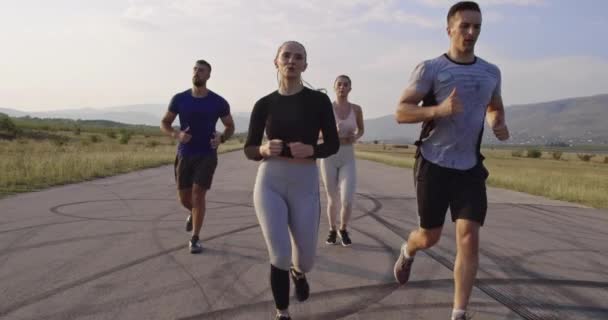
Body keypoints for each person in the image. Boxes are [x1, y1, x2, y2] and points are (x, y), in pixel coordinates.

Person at [392, 2, 509, 320]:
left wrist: (497, 121)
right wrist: (438, 111)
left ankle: (459, 312)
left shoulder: (491, 72)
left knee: (469, 237)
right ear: (449, 29)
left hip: (469, 167)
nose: (471, 33)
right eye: (465, 26)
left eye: (478, 27)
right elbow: (402, 111)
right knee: (429, 236)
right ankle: (408, 249)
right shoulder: (430, 68)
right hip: (433, 163)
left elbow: (494, 106)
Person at [244, 41, 339, 320]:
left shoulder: (319, 101)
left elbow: (332, 144)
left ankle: (299, 274)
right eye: (286, 56)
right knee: (280, 253)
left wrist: (313, 150)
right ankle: (282, 312)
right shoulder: (264, 104)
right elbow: (249, 148)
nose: (292, 61)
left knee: (306, 259)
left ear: (305, 65)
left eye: (299, 57)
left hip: (304, 181)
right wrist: (262, 150)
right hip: (270, 181)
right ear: (276, 62)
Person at [161, 59, 235, 254]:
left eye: (202, 70)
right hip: (185, 154)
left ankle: (195, 238)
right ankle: (192, 214)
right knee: (184, 198)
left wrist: (222, 138)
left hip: (207, 154)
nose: (197, 72)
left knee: (198, 195)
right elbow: (165, 123)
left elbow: (230, 126)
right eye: (195, 69)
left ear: (208, 75)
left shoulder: (218, 102)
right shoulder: (180, 98)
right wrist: (177, 135)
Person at [319, 75, 364, 247]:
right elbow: (317, 134)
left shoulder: (357, 109)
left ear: (350, 88)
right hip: (329, 155)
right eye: (339, 84)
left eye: (346, 85)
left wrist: (355, 137)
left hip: (347, 155)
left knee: (347, 199)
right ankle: (332, 230)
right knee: (332, 198)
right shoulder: (325, 108)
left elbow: (361, 130)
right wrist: (331, 133)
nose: (342, 87)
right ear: (334, 87)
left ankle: (343, 229)